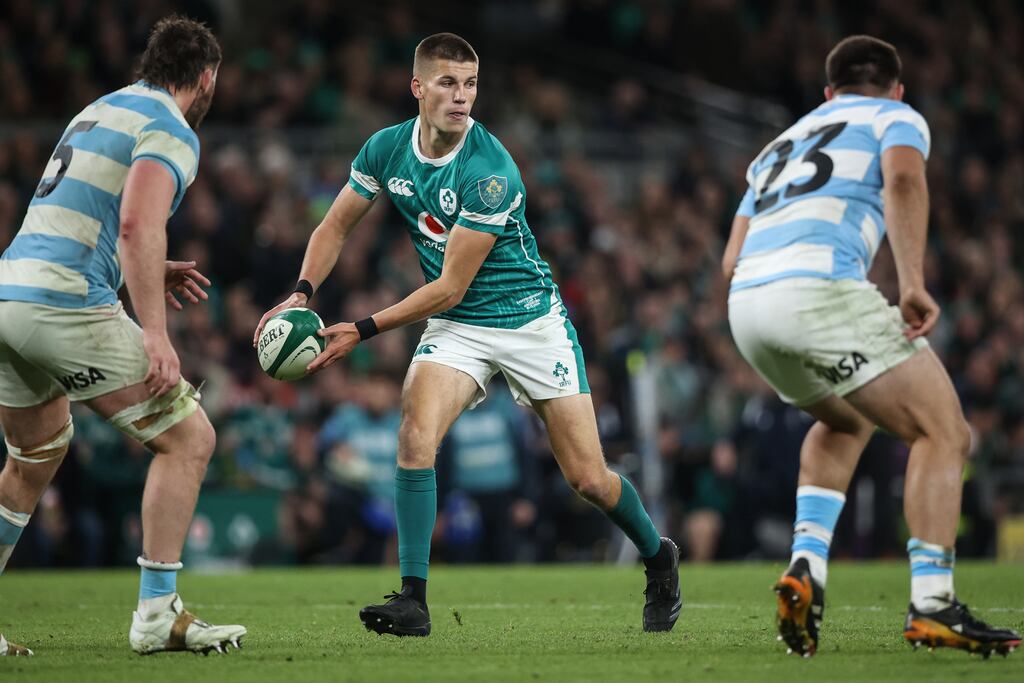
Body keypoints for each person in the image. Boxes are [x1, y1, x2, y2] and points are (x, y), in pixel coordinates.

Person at [255, 32, 680, 637]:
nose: (462, 97)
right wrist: (300, 293)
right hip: (459, 329)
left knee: (588, 478)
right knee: (414, 434)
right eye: (449, 83)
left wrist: (364, 328)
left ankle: (658, 557)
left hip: (529, 319)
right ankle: (413, 600)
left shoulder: (490, 170)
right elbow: (334, 225)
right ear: (418, 88)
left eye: (471, 84)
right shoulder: (385, 150)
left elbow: (450, 285)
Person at [723, 35, 1020, 658]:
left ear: (827, 93)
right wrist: (911, 283)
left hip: (748, 306)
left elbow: (729, 260)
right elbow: (906, 179)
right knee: (945, 432)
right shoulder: (896, 117)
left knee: (848, 416)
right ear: (898, 88)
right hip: (819, 289)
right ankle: (934, 606)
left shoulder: (778, 145)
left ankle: (806, 566)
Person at [0, 16, 245, 656]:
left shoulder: (101, 108)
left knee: (34, 458)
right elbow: (138, 222)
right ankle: (158, 614)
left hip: (8, 293)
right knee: (190, 439)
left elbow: (84, 213)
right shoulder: (172, 129)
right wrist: (156, 334)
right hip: (63, 303)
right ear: (207, 77)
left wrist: (130, 268)